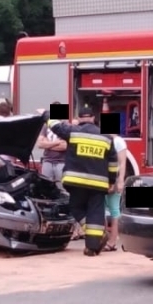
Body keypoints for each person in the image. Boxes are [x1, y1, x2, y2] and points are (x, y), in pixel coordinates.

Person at [49, 103, 117, 256]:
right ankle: (92, 246)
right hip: (98, 184)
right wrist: (112, 181)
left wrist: (46, 114)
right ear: (93, 118)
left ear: (79, 118)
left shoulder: (73, 131)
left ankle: (96, 238)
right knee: (95, 212)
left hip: (76, 182)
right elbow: (113, 163)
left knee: (76, 207)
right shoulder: (106, 137)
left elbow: (55, 126)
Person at [104, 130, 131, 252]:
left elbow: (123, 162)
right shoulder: (103, 139)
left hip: (113, 179)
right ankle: (105, 239)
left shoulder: (118, 141)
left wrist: (120, 181)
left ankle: (113, 241)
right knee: (101, 210)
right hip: (102, 179)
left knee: (114, 210)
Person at [36, 116, 68, 184]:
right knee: (46, 186)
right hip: (47, 161)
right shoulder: (45, 126)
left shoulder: (65, 126)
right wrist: (57, 142)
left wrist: (47, 145)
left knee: (61, 187)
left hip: (61, 162)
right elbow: (40, 144)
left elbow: (64, 146)